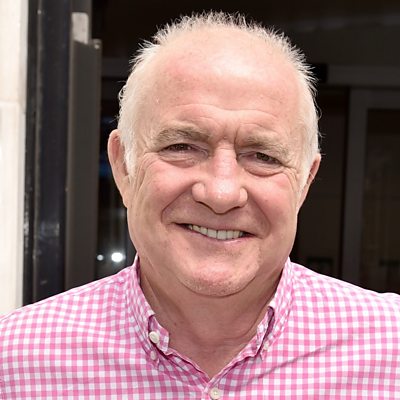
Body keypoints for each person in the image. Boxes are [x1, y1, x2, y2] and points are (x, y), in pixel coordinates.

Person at [1, 12, 399, 399]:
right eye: (182, 147)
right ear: (123, 167)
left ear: (305, 182)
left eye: (263, 156)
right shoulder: (15, 364)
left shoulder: (390, 349)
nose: (221, 193)